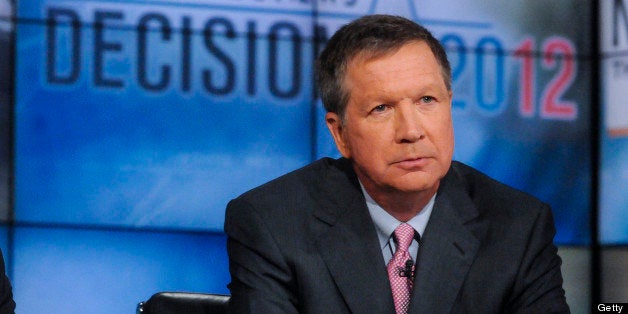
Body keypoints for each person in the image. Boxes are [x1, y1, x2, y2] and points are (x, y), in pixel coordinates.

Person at [225, 14, 569, 313]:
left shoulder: (518, 226)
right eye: (381, 108)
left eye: (427, 100)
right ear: (340, 133)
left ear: (449, 104)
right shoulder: (271, 224)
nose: (412, 131)